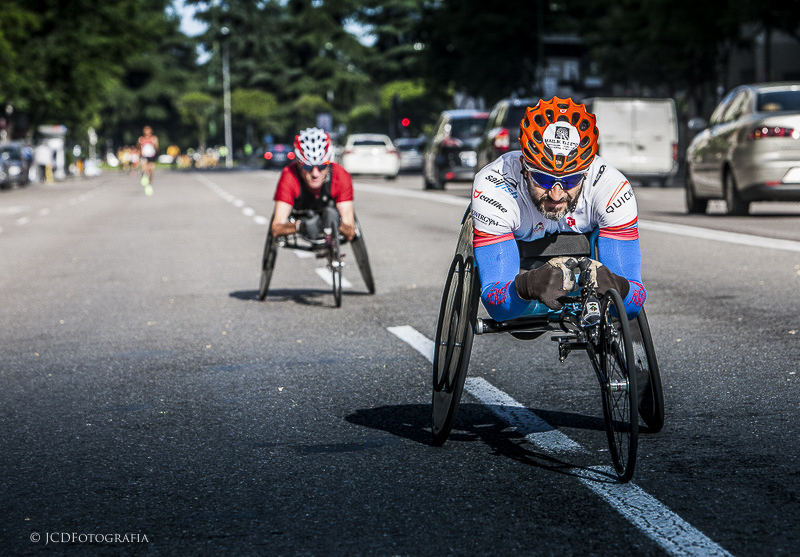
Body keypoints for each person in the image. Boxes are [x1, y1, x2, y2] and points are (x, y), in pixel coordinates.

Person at [471, 96, 647, 322]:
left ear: (586, 173)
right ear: (524, 168)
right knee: (517, 319)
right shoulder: (495, 186)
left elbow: (632, 306)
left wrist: (619, 287)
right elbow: (497, 306)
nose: (556, 194)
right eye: (543, 179)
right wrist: (527, 285)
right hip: (521, 266)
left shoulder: (611, 187)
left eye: (570, 180)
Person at [270, 127, 356, 243]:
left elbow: (350, 231)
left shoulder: (340, 175)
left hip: (329, 211)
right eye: (308, 167)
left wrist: (335, 224)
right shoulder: (289, 175)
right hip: (302, 212)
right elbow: (276, 227)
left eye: (321, 167)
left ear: (329, 162)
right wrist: (300, 226)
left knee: (331, 214)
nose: (315, 174)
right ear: (299, 164)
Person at [137, 126, 159, 190]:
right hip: (144, 156)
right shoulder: (141, 139)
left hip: (152, 156)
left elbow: (157, 149)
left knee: (151, 171)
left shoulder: (154, 138)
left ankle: (149, 183)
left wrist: (154, 144)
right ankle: (144, 177)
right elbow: (138, 148)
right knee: (144, 168)